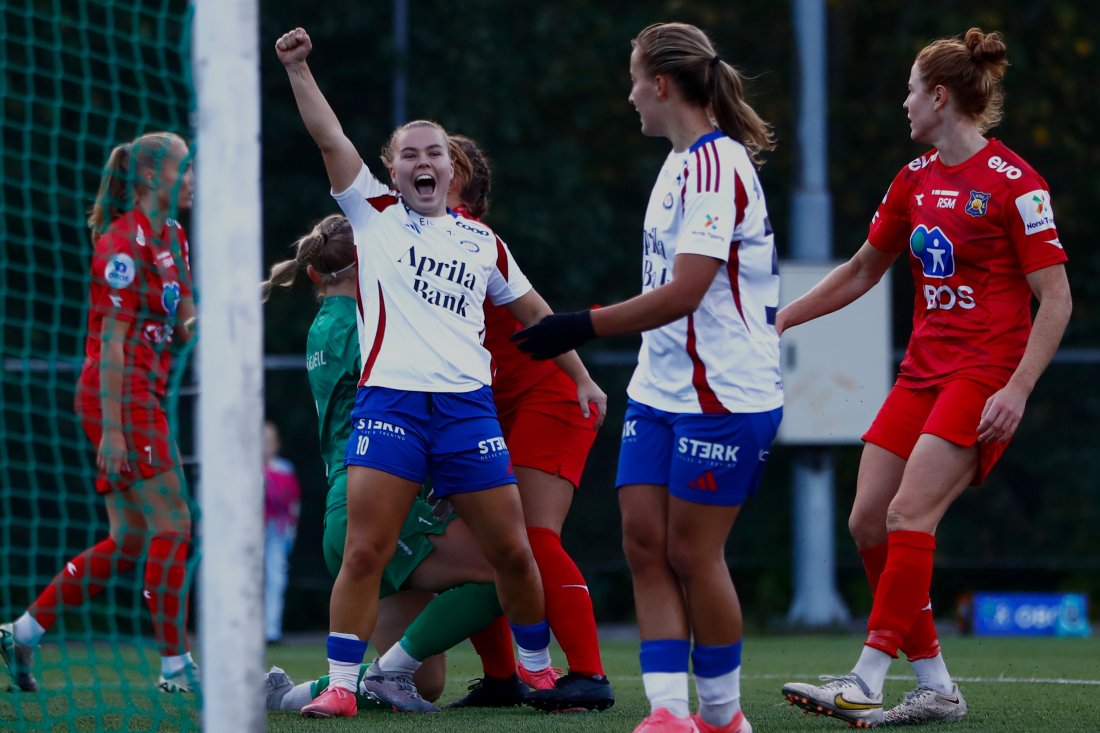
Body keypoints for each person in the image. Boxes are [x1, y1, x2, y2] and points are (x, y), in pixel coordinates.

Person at [274, 27, 606, 719]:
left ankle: (537, 673)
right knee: (363, 550)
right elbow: (329, 136)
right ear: (390, 171)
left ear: (452, 173)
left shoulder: (482, 240)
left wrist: (579, 373)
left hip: (466, 412)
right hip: (391, 406)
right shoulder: (375, 216)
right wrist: (299, 70)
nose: (424, 162)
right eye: (410, 154)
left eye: (436, 153)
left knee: (513, 551)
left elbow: (533, 309)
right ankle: (340, 684)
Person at [776, 28, 1072, 728]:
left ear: (940, 97)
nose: (904, 103)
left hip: (983, 373)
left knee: (912, 514)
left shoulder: (1017, 185)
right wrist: (780, 319)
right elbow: (859, 271)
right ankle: (936, 684)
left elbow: (1055, 299)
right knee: (868, 521)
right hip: (921, 373)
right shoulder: (914, 178)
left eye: (912, 89)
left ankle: (866, 677)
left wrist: (1018, 389)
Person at [513, 22, 783, 733]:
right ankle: (668, 713)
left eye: (634, 79)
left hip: (725, 394)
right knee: (641, 541)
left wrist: (580, 323)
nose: (630, 95)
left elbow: (689, 289)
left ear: (661, 85)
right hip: (660, 390)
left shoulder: (718, 167)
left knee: (694, 551)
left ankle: (723, 716)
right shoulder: (673, 164)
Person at [261, 213, 532, 714]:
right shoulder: (367, 328)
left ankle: (283, 695)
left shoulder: (325, 324)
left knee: (425, 682)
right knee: (505, 570)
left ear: (316, 272)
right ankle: (390, 672)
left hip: (345, 510)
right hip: (380, 501)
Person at [1, 132, 200, 694]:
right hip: (120, 398)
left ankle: (24, 629)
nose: (190, 180)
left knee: (133, 537)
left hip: (146, 395)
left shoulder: (175, 237)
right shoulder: (120, 243)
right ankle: (174, 666)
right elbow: (109, 345)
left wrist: (219, 316)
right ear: (149, 178)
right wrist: (112, 430)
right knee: (175, 525)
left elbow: (184, 316)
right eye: (183, 169)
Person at [262, 421, 301, 644]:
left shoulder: (284, 469)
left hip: (277, 532)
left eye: (268, 441)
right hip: (252, 534)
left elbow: (293, 503)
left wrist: (290, 532)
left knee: (275, 579)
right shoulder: (244, 469)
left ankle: (271, 631)